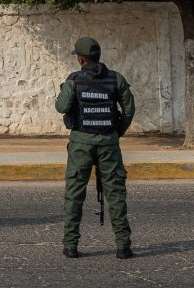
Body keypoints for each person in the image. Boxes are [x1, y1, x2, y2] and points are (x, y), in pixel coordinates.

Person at [55, 36, 135, 259]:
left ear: (81, 59)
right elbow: (129, 110)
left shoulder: (74, 80)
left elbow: (61, 106)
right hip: (109, 142)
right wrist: (117, 132)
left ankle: (70, 246)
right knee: (116, 194)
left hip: (81, 142)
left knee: (74, 194)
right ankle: (123, 246)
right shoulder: (116, 79)